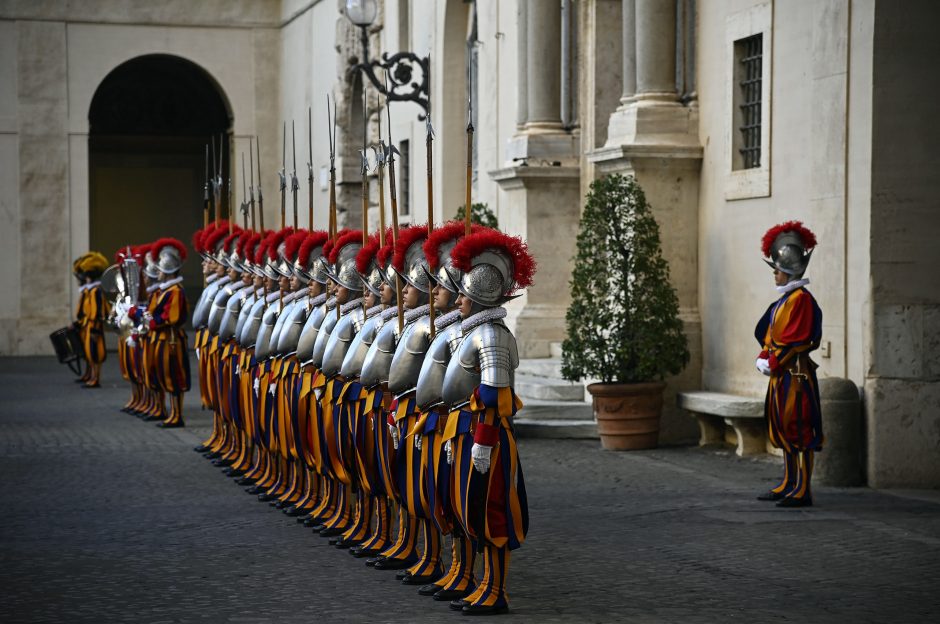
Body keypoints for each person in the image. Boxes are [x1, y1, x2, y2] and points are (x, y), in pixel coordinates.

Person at [441, 228, 535, 615]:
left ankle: (495, 591)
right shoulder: (474, 331)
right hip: (467, 432)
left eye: (464, 294)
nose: (458, 299)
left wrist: (483, 440)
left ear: (480, 297)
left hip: (488, 438)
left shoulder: (492, 337)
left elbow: (495, 397)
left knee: (491, 516)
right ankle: (479, 582)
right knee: (468, 511)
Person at [755, 221, 823, 508]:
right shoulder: (784, 301)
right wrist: (764, 356)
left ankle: (803, 489)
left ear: (791, 271)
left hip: (795, 375)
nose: (775, 273)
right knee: (783, 429)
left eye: (778, 270)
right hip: (781, 375)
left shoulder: (801, 301)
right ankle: (789, 482)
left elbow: (799, 341)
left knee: (799, 429)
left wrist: (775, 361)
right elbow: (772, 336)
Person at [73, 251, 110, 388]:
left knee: (95, 352)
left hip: (94, 325)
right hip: (87, 324)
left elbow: (97, 311)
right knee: (88, 351)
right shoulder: (90, 291)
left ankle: (96, 377)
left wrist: (95, 329)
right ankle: (90, 374)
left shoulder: (96, 291)